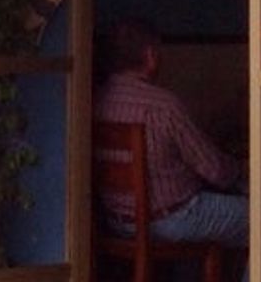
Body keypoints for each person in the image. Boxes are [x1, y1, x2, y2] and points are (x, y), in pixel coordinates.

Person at [93, 18, 248, 258]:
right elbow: (215, 170)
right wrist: (241, 170)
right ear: (151, 56)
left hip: (115, 221)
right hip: (170, 220)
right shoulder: (163, 105)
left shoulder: (95, 101)